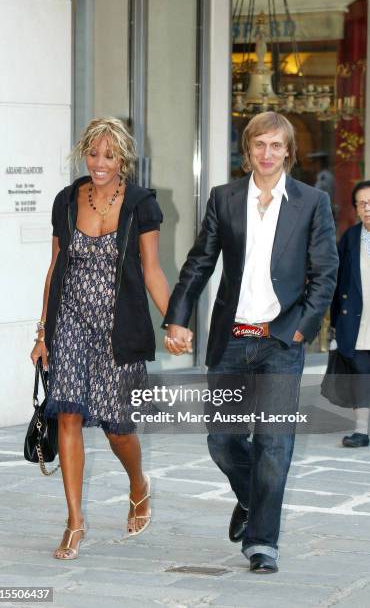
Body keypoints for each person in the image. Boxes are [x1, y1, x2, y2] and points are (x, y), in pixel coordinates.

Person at [163, 112, 338, 574]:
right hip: (232, 340)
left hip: (281, 340)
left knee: (274, 445)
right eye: (260, 144)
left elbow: (325, 274)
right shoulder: (225, 198)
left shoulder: (312, 201)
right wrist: (178, 318)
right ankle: (252, 499)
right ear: (248, 150)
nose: (267, 154)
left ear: (288, 152)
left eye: (276, 146)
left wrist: (299, 328)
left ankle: (262, 542)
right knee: (223, 439)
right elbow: (200, 261)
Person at [30, 117, 170, 559]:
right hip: (69, 319)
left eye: (109, 155)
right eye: (93, 153)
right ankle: (74, 522)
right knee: (67, 414)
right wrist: (42, 332)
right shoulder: (68, 200)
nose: (99, 163)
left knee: (118, 428)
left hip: (118, 326)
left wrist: (175, 320)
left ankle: (138, 484)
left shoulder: (142, 204)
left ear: (123, 157)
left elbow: (151, 270)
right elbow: (55, 268)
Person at [330, 181, 370, 447]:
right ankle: (362, 429)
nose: (368, 209)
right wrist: (335, 323)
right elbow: (338, 280)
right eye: (362, 204)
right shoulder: (351, 238)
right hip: (357, 319)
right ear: (356, 208)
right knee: (359, 373)